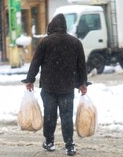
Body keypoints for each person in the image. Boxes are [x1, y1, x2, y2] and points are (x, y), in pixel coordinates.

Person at [21, 13, 88, 156]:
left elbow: (36, 62)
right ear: (65, 26)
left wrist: (30, 79)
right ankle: (69, 144)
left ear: (52, 26)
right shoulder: (75, 42)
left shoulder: (45, 42)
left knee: (50, 115)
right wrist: (83, 83)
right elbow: (81, 65)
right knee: (66, 116)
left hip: (49, 87)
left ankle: (49, 142)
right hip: (67, 87)